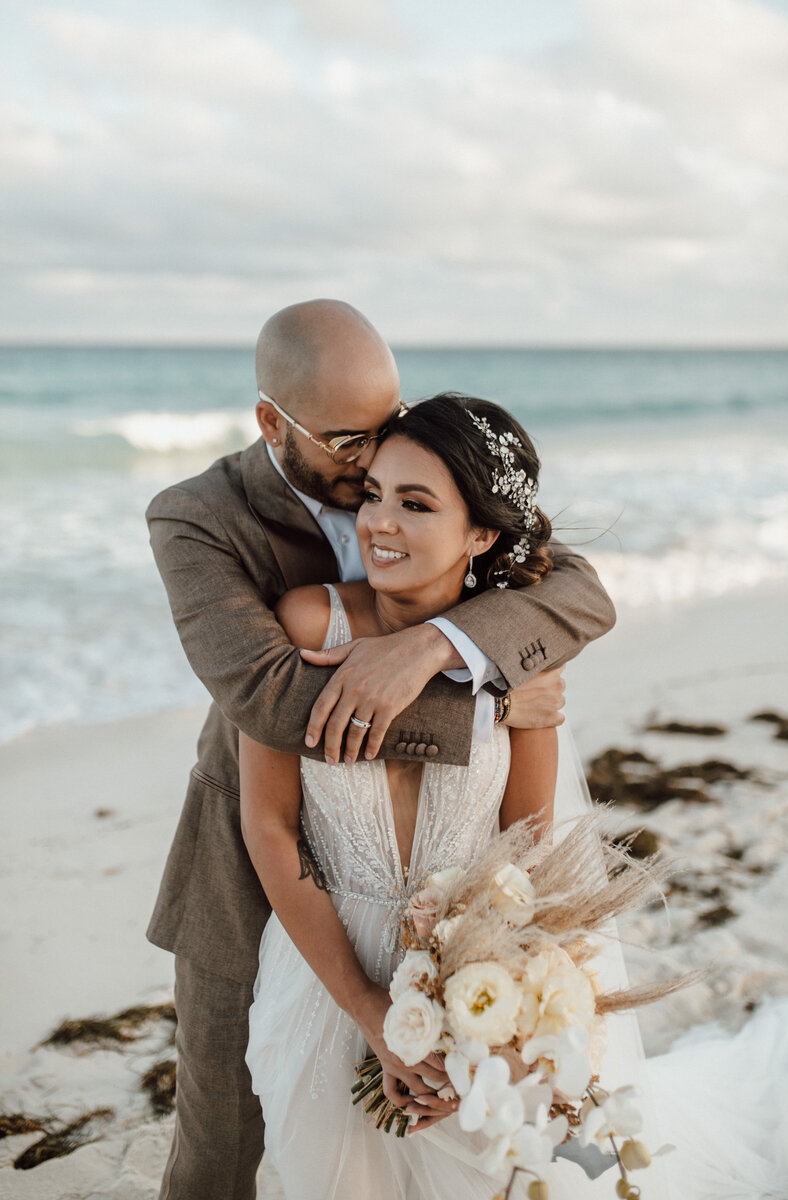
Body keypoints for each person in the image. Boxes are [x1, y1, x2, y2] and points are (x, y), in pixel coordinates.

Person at [146, 301, 616, 1200]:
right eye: (346, 442)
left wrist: (437, 645)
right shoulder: (194, 518)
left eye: (386, 425)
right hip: (248, 844)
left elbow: (577, 592)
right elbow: (269, 697)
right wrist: (495, 699)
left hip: (441, 869)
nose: (373, 460)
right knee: (221, 1119)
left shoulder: (405, 467)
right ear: (271, 423)